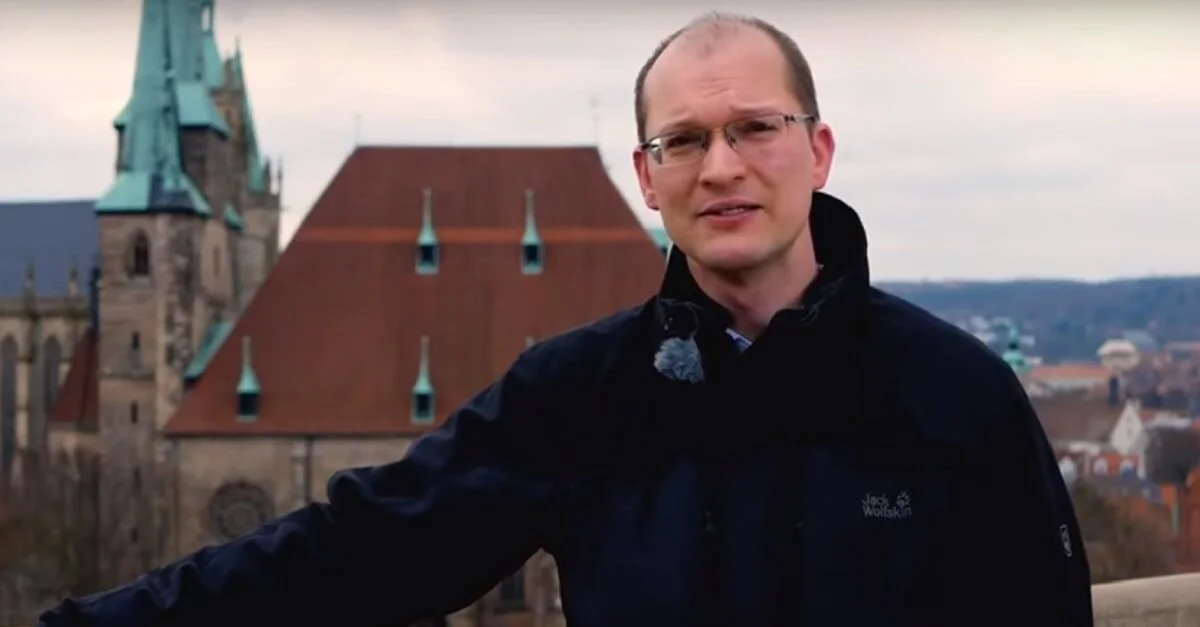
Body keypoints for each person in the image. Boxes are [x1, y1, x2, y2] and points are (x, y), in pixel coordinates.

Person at [39, 12, 1094, 627]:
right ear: (647, 176)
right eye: (683, 140)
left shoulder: (957, 398)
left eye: (754, 129)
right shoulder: (585, 396)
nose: (720, 165)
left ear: (817, 152)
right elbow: (351, 556)